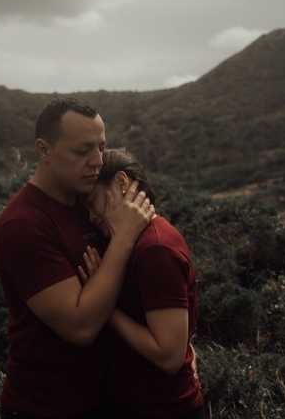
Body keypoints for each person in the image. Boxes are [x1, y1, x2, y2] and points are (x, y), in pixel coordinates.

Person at [0, 98, 155, 418]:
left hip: (113, 398)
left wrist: (174, 349)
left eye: (101, 146)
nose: (97, 161)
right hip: (47, 407)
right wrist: (123, 238)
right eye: (82, 151)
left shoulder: (92, 203)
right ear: (44, 150)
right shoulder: (23, 224)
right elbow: (80, 328)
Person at [79, 148, 204, 419]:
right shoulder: (129, 243)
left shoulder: (155, 249)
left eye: (93, 202)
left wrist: (106, 310)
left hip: (164, 408)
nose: (91, 216)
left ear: (122, 183)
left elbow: (169, 357)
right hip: (136, 403)